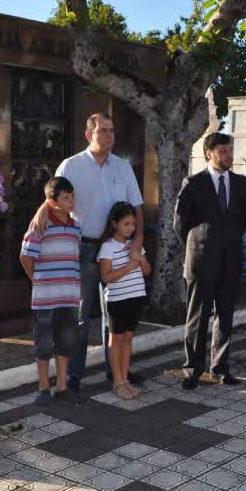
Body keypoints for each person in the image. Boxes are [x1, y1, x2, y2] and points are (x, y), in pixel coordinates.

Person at [29, 113, 145, 394]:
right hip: (83, 248)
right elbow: (52, 196)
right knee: (79, 316)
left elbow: (137, 207)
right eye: (103, 131)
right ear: (89, 134)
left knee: (114, 314)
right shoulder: (72, 166)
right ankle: (73, 375)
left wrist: (138, 240)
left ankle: (116, 371)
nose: (109, 135)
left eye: (112, 130)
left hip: (117, 248)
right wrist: (40, 214)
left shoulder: (123, 167)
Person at [173, 132, 246, 390]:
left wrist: (228, 240)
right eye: (224, 151)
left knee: (226, 313)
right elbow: (180, 223)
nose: (229, 155)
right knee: (198, 314)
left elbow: (242, 220)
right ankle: (192, 369)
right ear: (209, 153)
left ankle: (220, 366)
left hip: (230, 257)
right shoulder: (194, 183)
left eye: (230, 150)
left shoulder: (241, 184)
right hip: (201, 258)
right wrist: (196, 245)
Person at [20, 177, 82, 407]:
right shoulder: (40, 226)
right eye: (66, 197)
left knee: (66, 342)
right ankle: (44, 387)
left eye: (72, 196)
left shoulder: (76, 226)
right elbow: (25, 257)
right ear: (52, 202)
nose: (71, 201)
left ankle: (62, 386)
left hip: (69, 297)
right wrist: (37, 280)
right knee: (44, 344)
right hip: (45, 299)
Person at [98, 202, 152, 399]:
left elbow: (147, 271)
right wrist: (129, 267)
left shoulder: (136, 246)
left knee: (128, 337)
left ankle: (125, 379)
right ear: (114, 224)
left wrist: (141, 259)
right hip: (117, 300)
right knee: (116, 339)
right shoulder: (107, 247)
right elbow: (106, 276)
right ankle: (117, 380)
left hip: (136, 297)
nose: (130, 228)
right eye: (126, 224)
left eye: (133, 224)